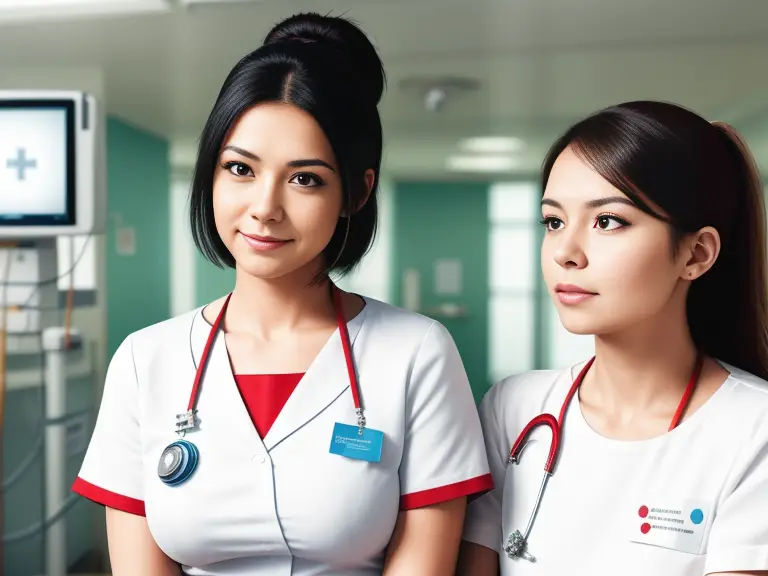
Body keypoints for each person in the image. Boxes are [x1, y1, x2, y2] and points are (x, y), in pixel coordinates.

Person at [73, 12, 492, 575]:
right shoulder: (146, 362)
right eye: (240, 168)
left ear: (356, 191)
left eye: (305, 178)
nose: (265, 207)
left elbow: (425, 562)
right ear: (211, 175)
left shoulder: (417, 353)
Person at [457, 101, 768, 576]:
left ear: (696, 254)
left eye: (608, 221)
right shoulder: (512, 409)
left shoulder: (754, 427)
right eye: (553, 221)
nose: (565, 252)